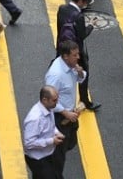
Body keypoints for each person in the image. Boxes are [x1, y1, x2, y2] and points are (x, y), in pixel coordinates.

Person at [43, 40, 84, 175]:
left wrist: (80, 73)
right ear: (65, 56)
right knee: (58, 156)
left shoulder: (71, 65)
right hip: (59, 118)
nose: (78, 57)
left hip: (70, 114)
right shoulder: (56, 75)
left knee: (70, 142)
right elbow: (49, 101)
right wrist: (65, 113)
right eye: (75, 55)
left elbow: (80, 79)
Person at [21, 86, 65, 179]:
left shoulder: (49, 107)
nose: (57, 103)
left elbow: (50, 125)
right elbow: (29, 143)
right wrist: (51, 141)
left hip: (49, 153)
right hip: (39, 159)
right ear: (45, 100)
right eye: (54, 100)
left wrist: (56, 132)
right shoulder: (35, 119)